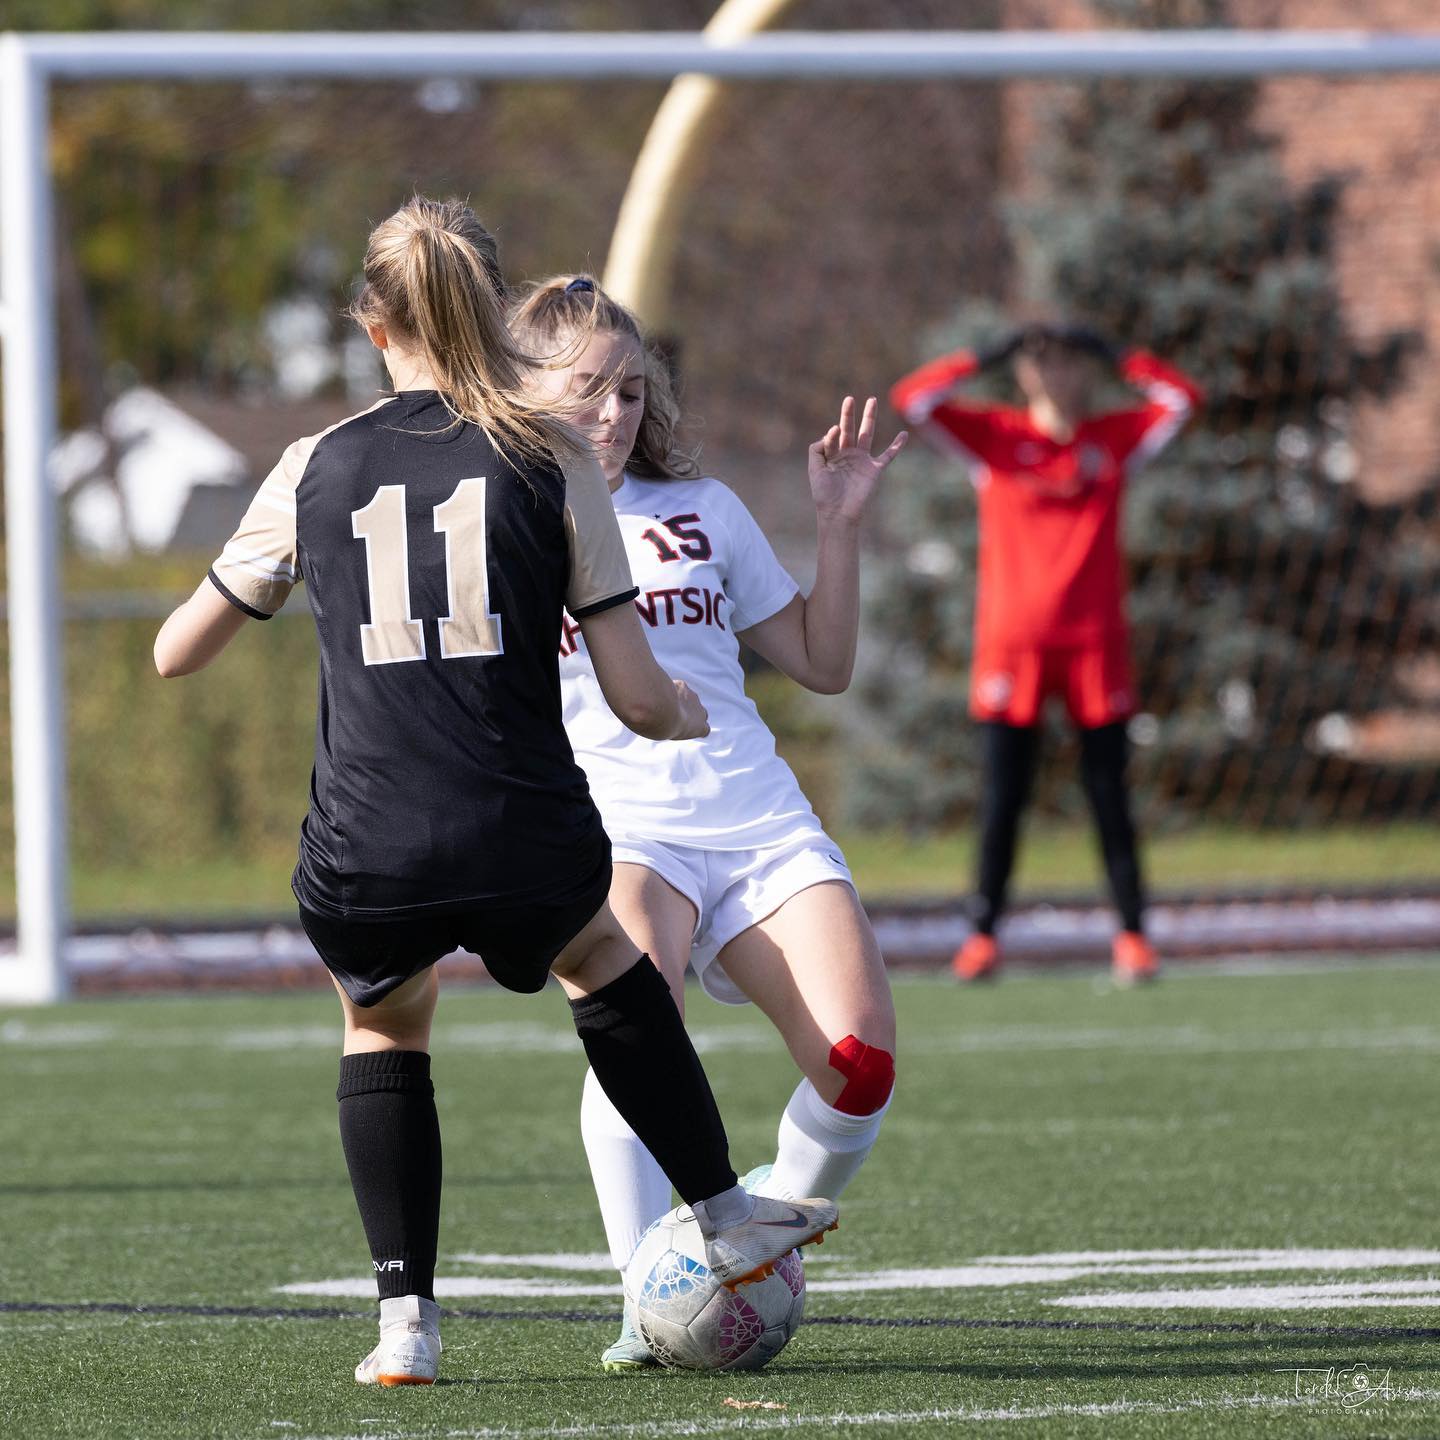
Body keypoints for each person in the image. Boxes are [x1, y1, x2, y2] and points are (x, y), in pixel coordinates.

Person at [152, 198, 838, 1389]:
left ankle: (404, 1326)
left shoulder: (313, 464)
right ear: (492, 315)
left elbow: (176, 651)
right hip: (520, 827)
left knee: (383, 1025)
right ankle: (727, 1209)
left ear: (373, 322)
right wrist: (685, 712)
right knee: (608, 969)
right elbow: (635, 698)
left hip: (368, 837)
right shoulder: (553, 458)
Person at [510, 275, 906, 1372]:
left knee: (860, 1065)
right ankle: (647, 1287)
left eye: (632, 391)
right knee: (642, 1033)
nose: (615, 414)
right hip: (622, 828)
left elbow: (822, 667)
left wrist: (837, 524)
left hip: (758, 820)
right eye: (590, 389)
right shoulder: (511, 522)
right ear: (529, 392)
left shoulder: (707, 510)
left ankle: (756, 1233)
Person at [890, 323, 1203, 985]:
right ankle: (981, 938)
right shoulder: (995, 440)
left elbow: (1181, 400)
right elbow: (912, 399)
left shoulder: (1114, 441)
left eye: (1068, 363)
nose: (1055, 375)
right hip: (1013, 648)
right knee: (1004, 797)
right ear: (1025, 374)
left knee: (1108, 795)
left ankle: (1132, 936)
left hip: (1095, 649)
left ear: (1084, 371)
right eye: (1041, 364)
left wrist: (1116, 348)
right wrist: (987, 352)